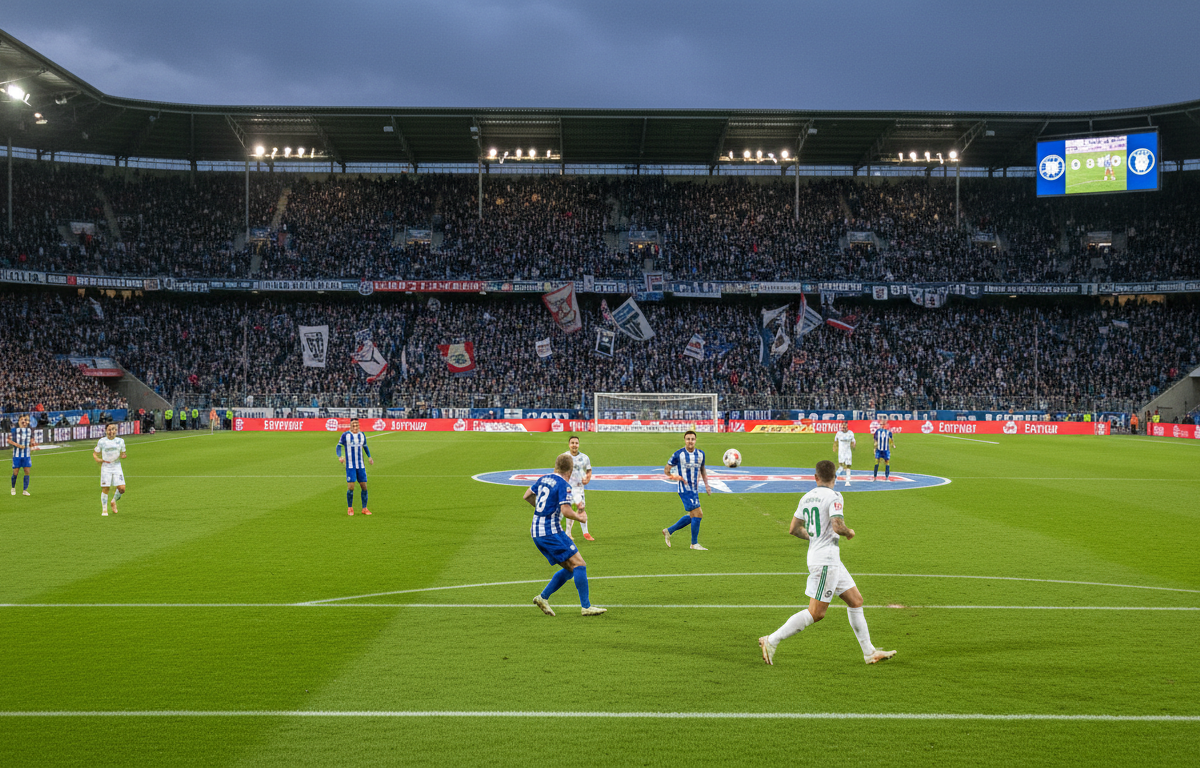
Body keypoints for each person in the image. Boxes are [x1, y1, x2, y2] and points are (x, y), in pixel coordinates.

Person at [758, 459, 896, 666]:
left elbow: (793, 529)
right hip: (825, 562)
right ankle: (772, 639)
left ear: (815, 478)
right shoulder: (835, 496)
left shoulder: (806, 498)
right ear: (835, 477)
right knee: (816, 613)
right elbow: (837, 525)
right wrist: (849, 532)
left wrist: (814, 536)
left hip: (826, 559)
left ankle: (869, 652)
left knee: (855, 600)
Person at [525, 452, 606, 617]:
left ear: (555, 466)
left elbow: (527, 496)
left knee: (571, 569)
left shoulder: (543, 479)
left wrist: (543, 510)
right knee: (580, 564)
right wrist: (579, 517)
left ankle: (543, 598)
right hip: (550, 532)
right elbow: (565, 510)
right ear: (570, 471)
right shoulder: (563, 484)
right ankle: (586, 607)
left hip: (536, 531)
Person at [661, 430, 712, 551]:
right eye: (688, 439)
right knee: (698, 514)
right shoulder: (678, 454)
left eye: (692, 439)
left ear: (695, 440)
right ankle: (694, 544)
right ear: (685, 440)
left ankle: (669, 531)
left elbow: (703, 469)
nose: (690, 441)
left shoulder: (700, 454)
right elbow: (666, 470)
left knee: (693, 515)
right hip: (684, 489)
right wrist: (676, 477)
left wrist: (706, 484)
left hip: (694, 489)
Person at [337, 417, 373, 516]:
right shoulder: (345, 435)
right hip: (350, 466)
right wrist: (340, 456)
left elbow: (365, 446)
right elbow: (338, 446)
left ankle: (364, 508)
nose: (355, 426)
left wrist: (369, 457)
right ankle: (350, 508)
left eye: (357, 424)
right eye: (353, 425)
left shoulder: (362, 435)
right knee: (351, 487)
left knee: (364, 487)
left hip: (360, 465)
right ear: (350, 425)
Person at [563, 435, 594, 541]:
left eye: (576, 443)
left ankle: (586, 533)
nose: (574, 445)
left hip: (579, 489)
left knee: (581, 509)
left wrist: (588, 479)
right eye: (572, 443)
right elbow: (558, 471)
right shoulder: (564, 457)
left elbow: (589, 470)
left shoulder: (585, 458)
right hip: (566, 489)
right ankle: (568, 534)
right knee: (568, 510)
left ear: (578, 444)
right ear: (569, 444)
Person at [93, 423, 127, 516]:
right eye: (109, 429)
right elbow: (95, 453)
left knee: (122, 489)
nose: (111, 431)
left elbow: (123, 452)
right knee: (105, 488)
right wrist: (97, 459)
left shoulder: (120, 441)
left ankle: (113, 501)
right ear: (106, 431)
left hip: (116, 466)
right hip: (106, 467)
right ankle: (104, 510)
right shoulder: (102, 441)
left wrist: (123, 455)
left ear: (116, 431)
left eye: (113, 429)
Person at [8, 414, 36, 496]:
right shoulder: (14, 430)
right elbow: (9, 440)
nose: (23, 421)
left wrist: (32, 446)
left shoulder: (29, 430)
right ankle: (13, 488)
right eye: (21, 420)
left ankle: (25, 490)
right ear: (19, 421)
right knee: (15, 472)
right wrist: (18, 445)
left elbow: (31, 441)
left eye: (24, 420)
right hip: (17, 455)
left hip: (26, 455)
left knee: (27, 472)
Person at [833, 420, 856, 486]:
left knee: (848, 466)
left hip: (848, 452)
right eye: (842, 425)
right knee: (841, 467)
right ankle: (834, 478)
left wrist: (853, 445)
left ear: (847, 426)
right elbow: (835, 441)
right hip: (841, 452)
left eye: (845, 425)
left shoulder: (850, 433)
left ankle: (847, 481)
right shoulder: (839, 433)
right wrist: (834, 447)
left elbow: (853, 441)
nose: (844, 427)